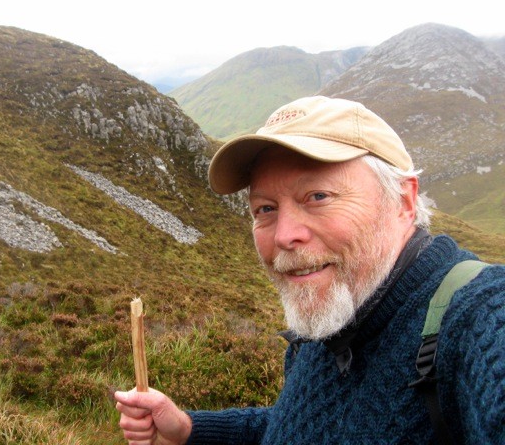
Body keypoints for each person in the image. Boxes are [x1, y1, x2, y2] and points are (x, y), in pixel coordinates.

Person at [114, 96, 505, 444]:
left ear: (403, 200)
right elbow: (303, 425)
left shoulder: (477, 318)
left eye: (318, 196)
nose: (285, 235)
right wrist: (189, 430)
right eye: (265, 209)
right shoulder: (326, 322)